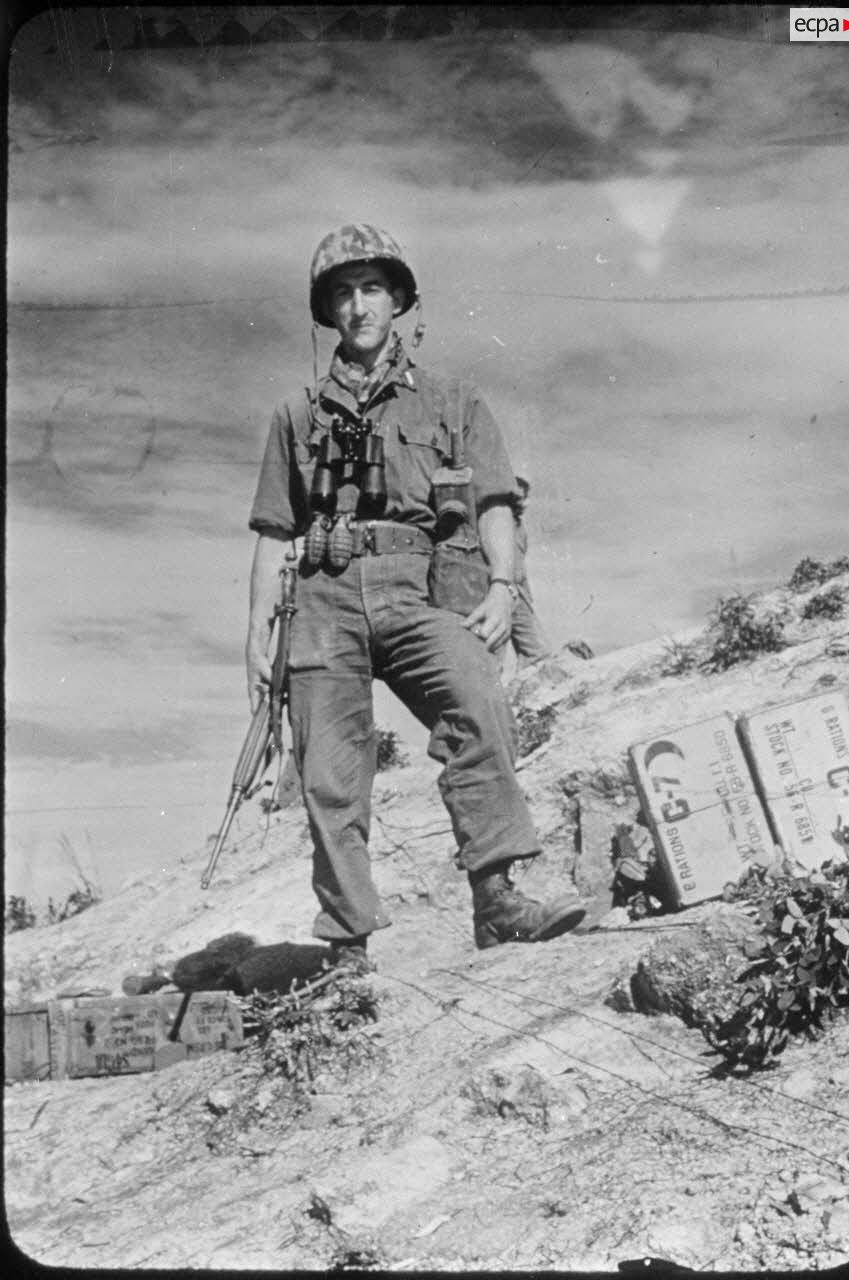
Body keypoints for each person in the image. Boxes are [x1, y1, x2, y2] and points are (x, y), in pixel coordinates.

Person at [245, 223, 585, 968]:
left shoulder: (452, 401)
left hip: (419, 587)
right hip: (321, 595)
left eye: (371, 289)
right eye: (341, 292)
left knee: (478, 705)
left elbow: (495, 502)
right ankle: (347, 947)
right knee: (330, 774)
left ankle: (496, 900)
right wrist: (254, 637)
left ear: (396, 299)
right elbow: (274, 530)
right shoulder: (296, 415)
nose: (358, 306)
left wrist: (502, 585)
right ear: (327, 310)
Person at [509, 476, 553, 667]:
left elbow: (521, 565)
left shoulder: (520, 527)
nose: (523, 503)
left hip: (519, 593)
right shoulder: (493, 525)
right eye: (518, 497)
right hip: (500, 590)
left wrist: (527, 596)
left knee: (536, 651)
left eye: (524, 498)